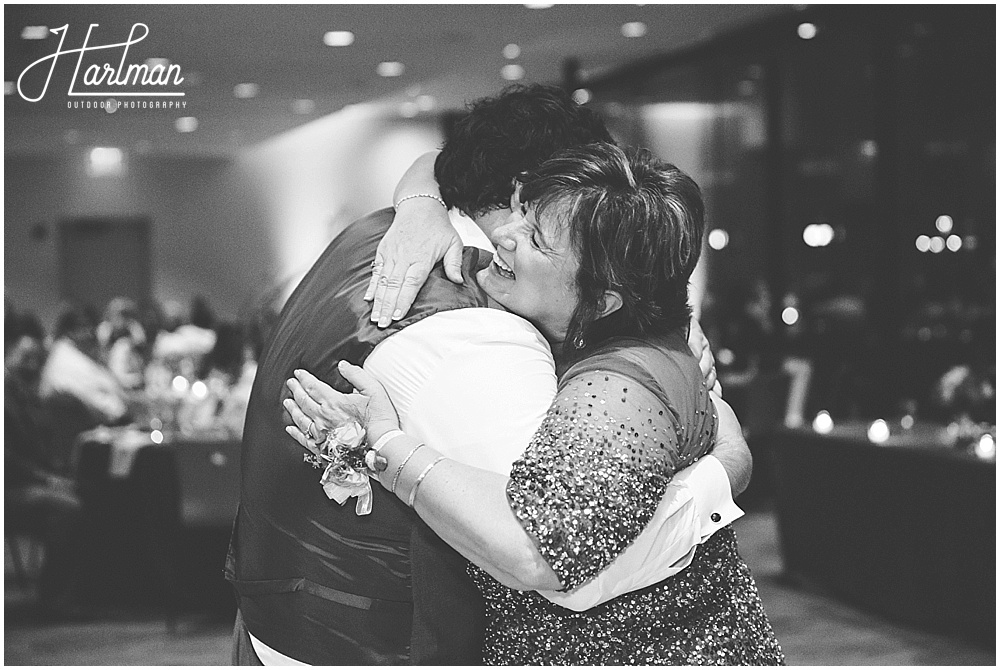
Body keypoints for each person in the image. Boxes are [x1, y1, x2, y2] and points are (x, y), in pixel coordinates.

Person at [226, 84, 749, 665]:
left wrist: (418, 196)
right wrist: (720, 476)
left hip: (283, 618)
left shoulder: (376, 234)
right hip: (367, 643)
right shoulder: (484, 335)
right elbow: (549, 559)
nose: (515, 234)